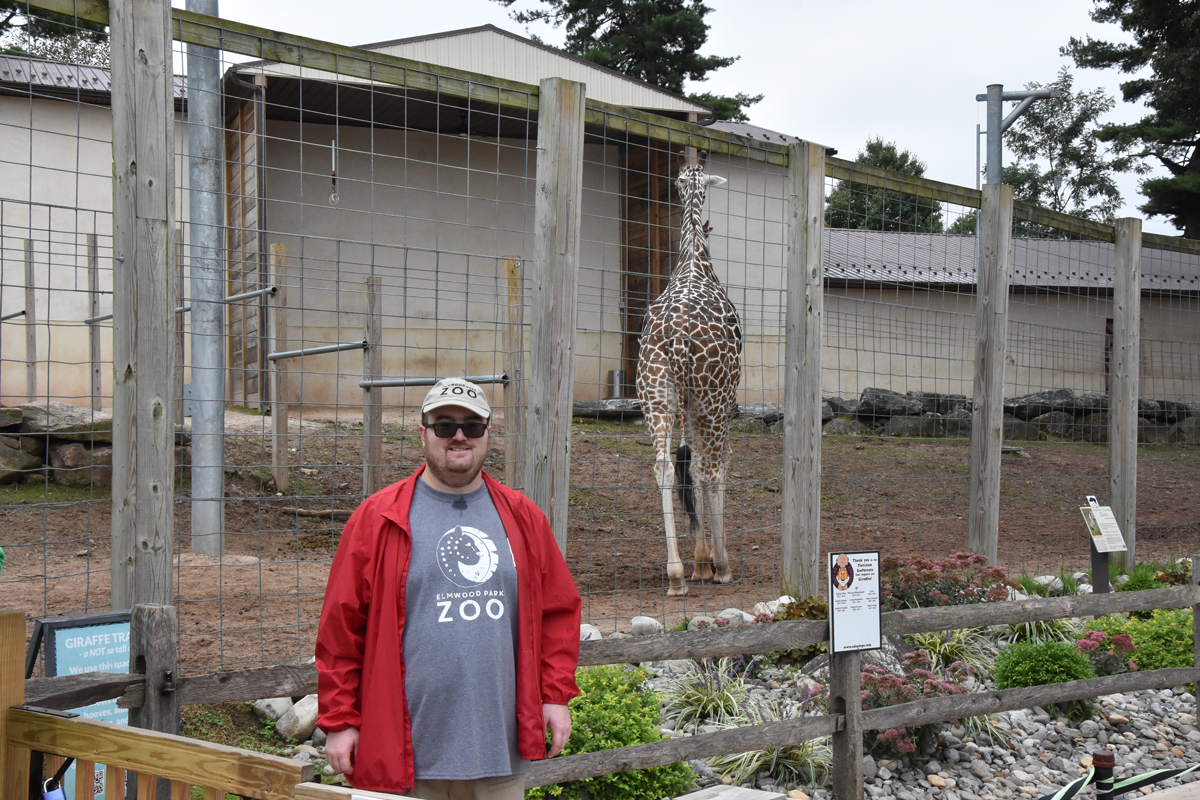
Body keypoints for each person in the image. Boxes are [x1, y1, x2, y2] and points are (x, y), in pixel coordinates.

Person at [316, 377, 581, 799]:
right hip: (407, 759)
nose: (459, 436)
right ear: (422, 433)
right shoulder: (377, 519)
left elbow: (558, 614)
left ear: (487, 434)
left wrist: (554, 696)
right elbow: (340, 632)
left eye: (472, 426)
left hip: (500, 755)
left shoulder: (523, 517)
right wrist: (341, 721)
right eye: (444, 425)